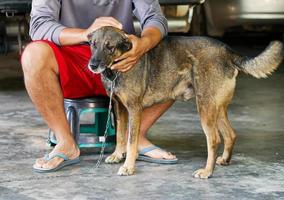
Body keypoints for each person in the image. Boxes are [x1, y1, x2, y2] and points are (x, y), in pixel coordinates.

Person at [21, 0, 177, 172]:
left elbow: (155, 18)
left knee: (175, 60)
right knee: (33, 55)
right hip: (71, 57)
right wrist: (86, 34)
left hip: (123, 62)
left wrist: (142, 45)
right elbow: (38, 25)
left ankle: (135, 137)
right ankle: (65, 142)